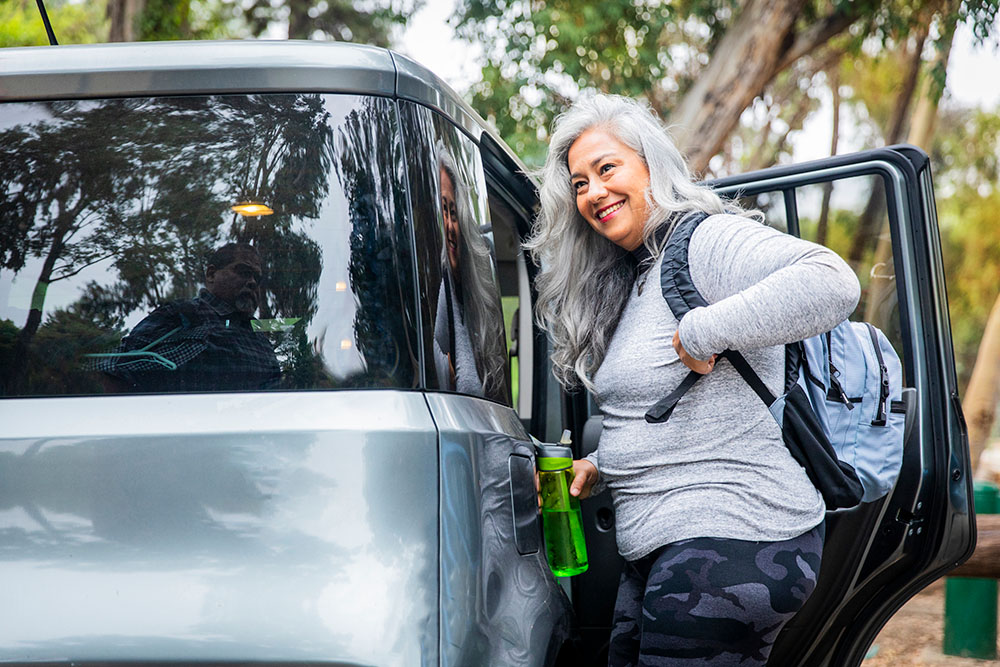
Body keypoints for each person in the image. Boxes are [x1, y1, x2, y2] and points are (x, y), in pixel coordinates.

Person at [525, 94, 861, 666]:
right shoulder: (634, 277)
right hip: (667, 546)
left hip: (734, 537)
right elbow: (675, 414)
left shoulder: (703, 240)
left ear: (652, 165)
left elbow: (832, 281)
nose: (593, 192)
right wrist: (602, 467)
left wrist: (706, 330)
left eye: (607, 168)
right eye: (579, 183)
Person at [100, 242, 280, 392]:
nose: (252, 282)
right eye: (243, 272)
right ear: (211, 274)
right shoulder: (182, 314)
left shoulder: (260, 335)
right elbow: (116, 371)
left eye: (257, 278)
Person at [432, 143, 508, 402]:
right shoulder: (431, 299)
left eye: (453, 212)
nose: (450, 225)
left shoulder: (469, 307)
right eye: (442, 209)